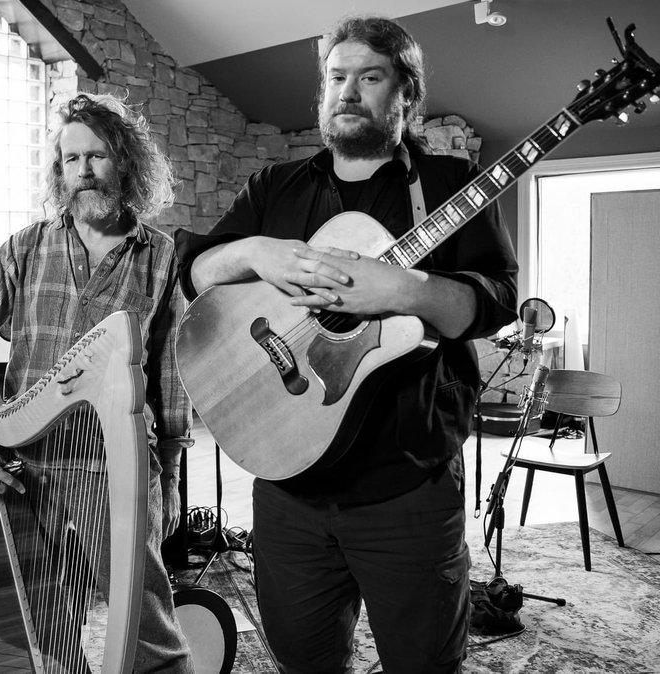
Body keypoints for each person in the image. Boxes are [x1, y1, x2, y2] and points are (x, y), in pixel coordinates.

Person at [175, 16, 518, 674]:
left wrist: (409, 290)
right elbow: (195, 270)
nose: (348, 91)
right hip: (288, 484)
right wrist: (254, 252)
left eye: (370, 77)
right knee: (303, 661)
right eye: (336, 77)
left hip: (407, 487)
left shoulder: (452, 184)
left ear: (405, 95)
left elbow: (497, 299)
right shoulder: (274, 188)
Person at [0, 93, 194, 673]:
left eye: (97, 156)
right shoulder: (25, 248)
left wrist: (171, 476)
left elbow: (169, 377)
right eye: (71, 159)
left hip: (118, 468)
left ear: (126, 162)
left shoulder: (160, 258)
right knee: (40, 630)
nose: (84, 171)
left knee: (148, 631)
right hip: (26, 468)